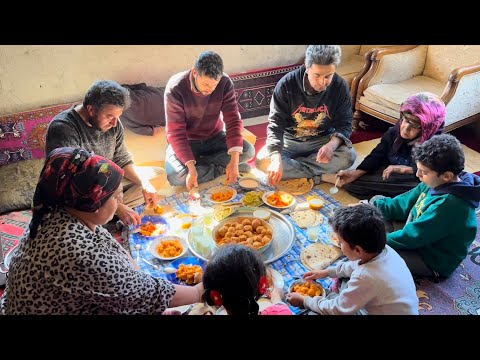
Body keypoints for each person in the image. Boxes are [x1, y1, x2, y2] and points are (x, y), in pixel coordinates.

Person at [0, 147, 202, 315]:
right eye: (116, 197)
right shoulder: (81, 253)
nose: (121, 202)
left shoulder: (55, 210)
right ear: (93, 204)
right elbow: (148, 293)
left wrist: (140, 290)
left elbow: (114, 253)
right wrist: (199, 292)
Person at [46, 80, 161, 226]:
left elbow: (122, 159)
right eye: (109, 116)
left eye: (118, 117)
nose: (114, 123)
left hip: (107, 183)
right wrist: (117, 207)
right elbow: (72, 183)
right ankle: (108, 215)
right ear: (91, 109)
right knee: (72, 210)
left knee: (156, 176)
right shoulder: (63, 129)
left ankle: (107, 215)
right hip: (79, 193)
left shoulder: (114, 124)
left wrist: (144, 183)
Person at [372, 133, 480, 279]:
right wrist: (369, 206)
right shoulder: (436, 181)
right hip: (417, 231)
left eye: (423, 172)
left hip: (431, 258)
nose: (417, 174)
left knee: (378, 256)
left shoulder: (450, 205)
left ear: (447, 176)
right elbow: (402, 204)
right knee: (376, 202)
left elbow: (412, 237)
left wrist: (373, 240)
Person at [286, 204, 418, 315]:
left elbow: (338, 309)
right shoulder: (386, 250)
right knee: (344, 266)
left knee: (315, 312)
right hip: (398, 305)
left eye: (341, 241)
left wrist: (305, 301)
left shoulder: (365, 277)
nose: (338, 244)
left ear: (358, 250)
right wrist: (326, 273)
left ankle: (332, 297)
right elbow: (355, 265)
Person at [256, 45, 356, 185]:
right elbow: (275, 124)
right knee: (262, 161)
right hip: (289, 141)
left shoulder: (340, 86)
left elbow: (345, 123)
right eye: (317, 75)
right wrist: (276, 158)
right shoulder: (286, 85)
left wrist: (331, 146)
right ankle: (320, 176)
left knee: (349, 156)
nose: (323, 82)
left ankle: (294, 169)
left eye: (328, 76)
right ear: (307, 67)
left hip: (322, 141)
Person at [325, 92, 446, 199]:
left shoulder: (436, 145)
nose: (406, 128)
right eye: (405, 120)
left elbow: (432, 173)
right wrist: (357, 172)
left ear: (428, 128)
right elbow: (378, 154)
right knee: (352, 183)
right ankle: (395, 201)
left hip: (415, 179)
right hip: (391, 173)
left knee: (426, 192)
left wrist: (403, 169)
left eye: (415, 125)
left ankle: (399, 202)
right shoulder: (394, 132)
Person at [164, 51, 255, 190]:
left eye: (214, 85)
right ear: (195, 73)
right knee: (176, 176)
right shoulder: (175, 87)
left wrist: (235, 160)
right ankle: (220, 167)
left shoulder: (225, 82)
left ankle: (204, 164)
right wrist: (190, 167)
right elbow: (175, 133)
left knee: (248, 151)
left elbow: (233, 120)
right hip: (188, 141)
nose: (210, 90)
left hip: (215, 137)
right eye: (206, 84)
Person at [202, 244, 292, 315]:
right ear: (262, 286)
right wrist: (277, 299)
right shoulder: (281, 312)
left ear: (215, 296)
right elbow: (282, 311)